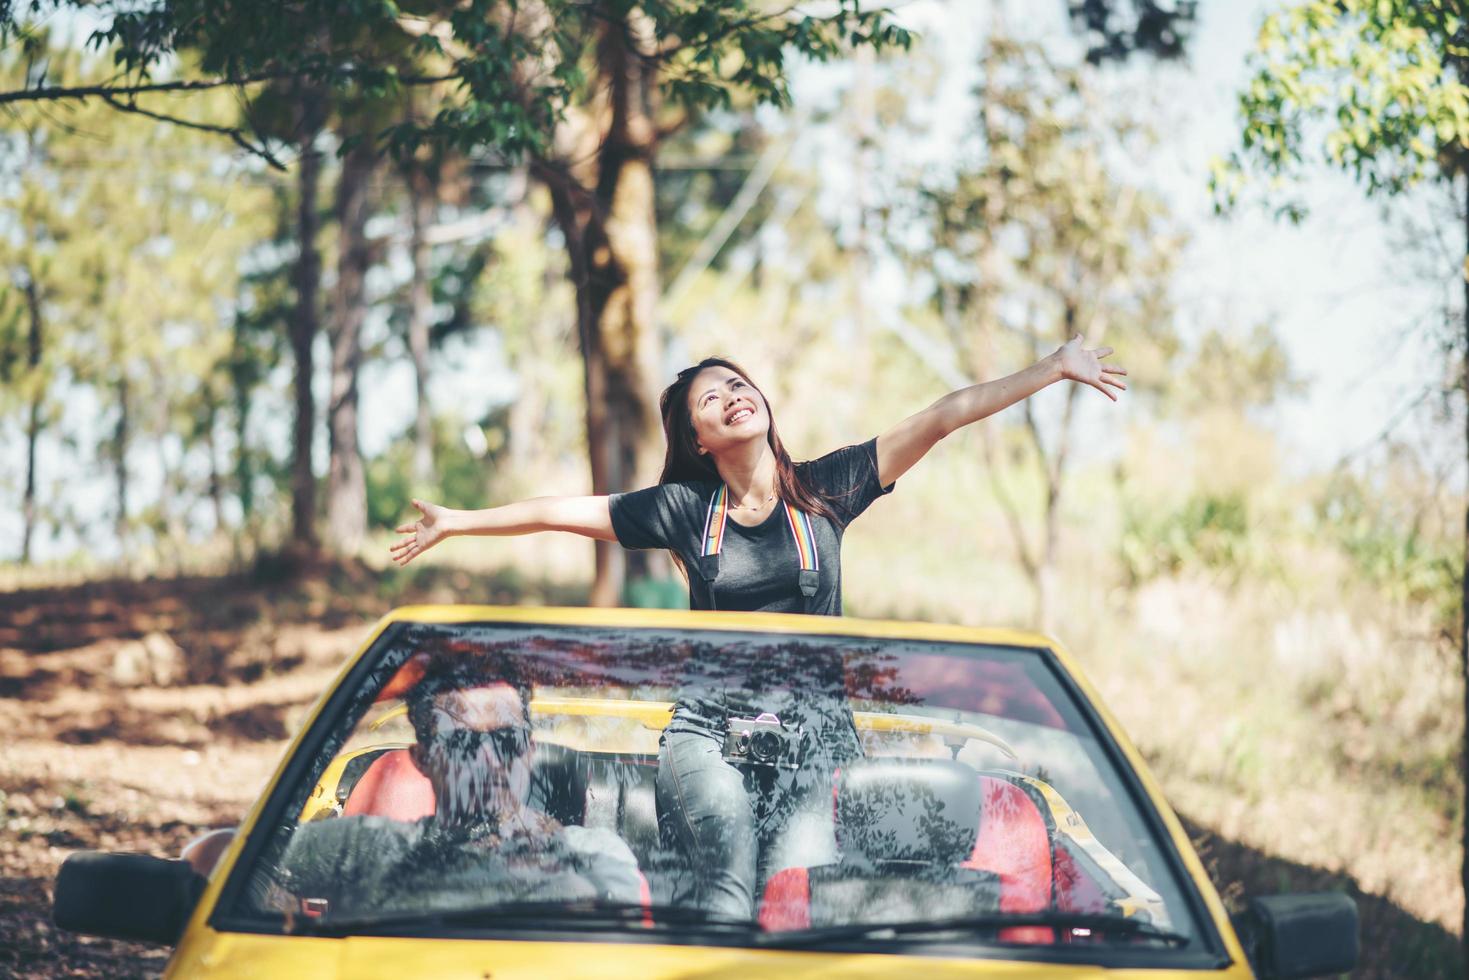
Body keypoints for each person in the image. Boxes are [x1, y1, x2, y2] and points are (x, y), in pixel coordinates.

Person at [389, 338, 1126, 918]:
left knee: (790, 893)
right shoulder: (683, 510)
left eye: (738, 384)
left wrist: (1053, 368)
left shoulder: (826, 489)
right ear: (698, 437)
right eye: (712, 398)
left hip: (818, 739)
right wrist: (459, 523)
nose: (733, 396)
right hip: (706, 733)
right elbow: (559, 509)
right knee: (731, 860)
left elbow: (940, 416)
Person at [276, 659, 645, 920]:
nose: (487, 762)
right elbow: (229, 856)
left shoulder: (593, 855)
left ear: (528, 751)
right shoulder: (361, 848)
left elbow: (630, 953)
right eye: (461, 743)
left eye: (505, 740)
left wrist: (547, 864)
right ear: (422, 759)